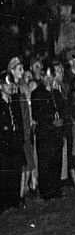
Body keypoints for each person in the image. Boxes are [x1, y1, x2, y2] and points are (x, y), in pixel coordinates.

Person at [31, 65, 67, 200]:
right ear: (41, 77)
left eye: (50, 76)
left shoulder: (56, 93)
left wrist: (61, 121)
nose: (48, 79)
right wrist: (52, 121)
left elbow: (63, 110)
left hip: (57, 133)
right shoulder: (36, 93)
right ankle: (46, 192)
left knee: (56, 161)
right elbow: (38, 114)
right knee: (45, 163)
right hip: (45, 134)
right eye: (45, 76)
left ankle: (56, 189)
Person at [0, 71, 25, 212]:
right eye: (7, 84)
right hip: (4, 144)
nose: (10, 87)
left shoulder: (14, 102)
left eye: (11, 84)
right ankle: (4, 203)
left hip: (15, 141)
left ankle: (14, 200)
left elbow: (19, 122)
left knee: (16, 171)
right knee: (5, 173)